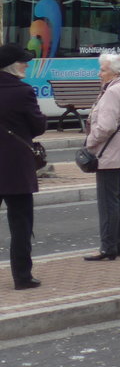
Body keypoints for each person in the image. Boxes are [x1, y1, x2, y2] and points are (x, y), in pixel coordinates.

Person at [82, 52, 120, 262]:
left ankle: (108, 247)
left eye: (103, 70)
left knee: (108, 202)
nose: (100, 73)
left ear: (115, 72)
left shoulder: (113, 92)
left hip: (109, 151)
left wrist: (90, 142)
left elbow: (105, 126)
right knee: (119, 199)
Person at [0, 43, 47, 290]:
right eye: (23, 61)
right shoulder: (23, 91)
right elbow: (38, 126)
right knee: (20, 225)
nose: (27, 65)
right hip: (16, 169)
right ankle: (22, 276)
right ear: (12, 65)